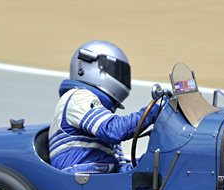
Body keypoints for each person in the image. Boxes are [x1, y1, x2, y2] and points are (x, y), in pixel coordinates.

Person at [49, 40, 162, 173]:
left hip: (99, 181)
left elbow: (118, 169)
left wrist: (145, 163)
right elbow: (113, 131)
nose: (121, 76)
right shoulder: (78, 97)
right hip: (82, 183)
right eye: (115, 70)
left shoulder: (100, 114)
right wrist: (154, 111)